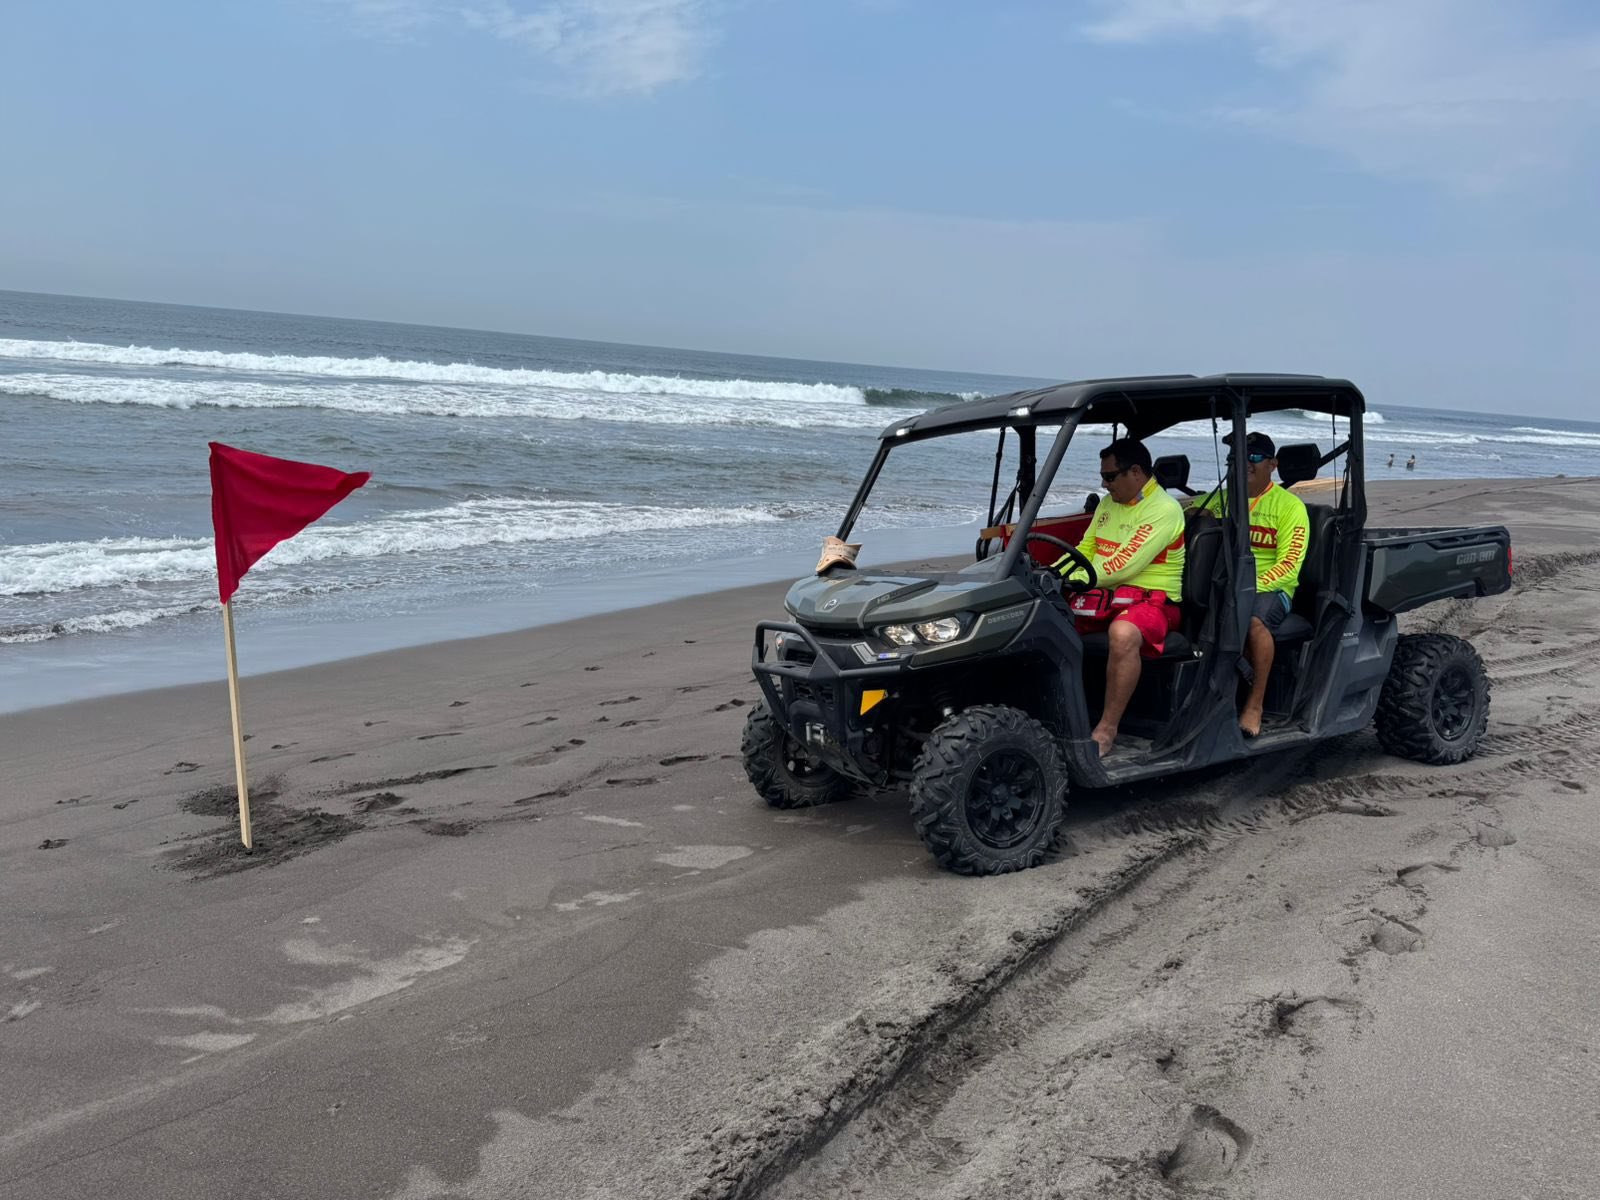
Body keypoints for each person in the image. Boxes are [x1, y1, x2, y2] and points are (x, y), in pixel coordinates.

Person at [1051, 437, 1186, 757]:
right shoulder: (1108, 503)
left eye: (1110, 476)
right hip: (1103, 596)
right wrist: (1052, 575)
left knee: (1123, 633)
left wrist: (1075, 580)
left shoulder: (1164, 510)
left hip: (1154, 602)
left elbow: (1123, 565)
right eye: (1103, 476)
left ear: (1136, 472)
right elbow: (1085, 550)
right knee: (1044, 618)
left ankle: (1107, 729)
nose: (1104, 483)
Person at [1199, 431, 1310, 737]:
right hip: (1228, 583)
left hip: (1273, 589)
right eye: (1238, 458)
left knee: (1251, 622)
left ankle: (1254, 705)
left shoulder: (1289, 507)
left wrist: (1248, 589)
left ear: (1272, 464)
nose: (1245, 463)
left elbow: (1289, 565)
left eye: (1254, 457)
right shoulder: (1225, 500)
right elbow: (1193, 515)